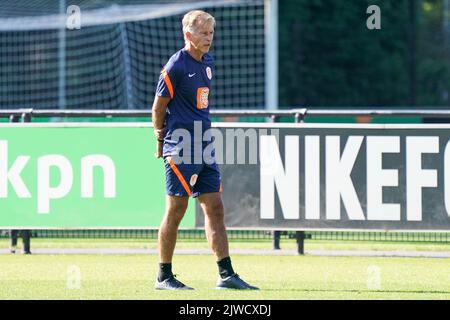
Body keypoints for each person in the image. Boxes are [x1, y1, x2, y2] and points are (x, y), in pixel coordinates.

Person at [151, 10, 258, 290]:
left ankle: (226, 275)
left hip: (204, 143)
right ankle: (164, 276)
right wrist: (161, 142)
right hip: (181, 145)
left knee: (215, 207)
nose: (209, 37)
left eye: (211, 32)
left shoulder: (207, 62)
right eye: (203, 33)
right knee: (177, 209)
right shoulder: (175, 66)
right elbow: (158, 109)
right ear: (188, 35)